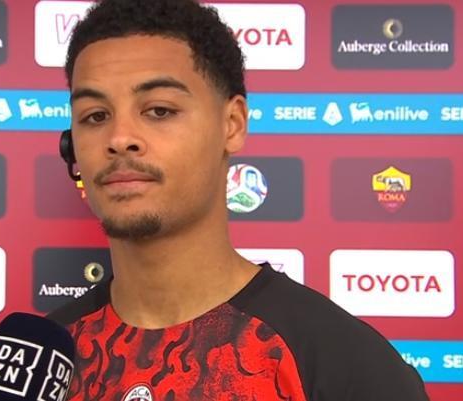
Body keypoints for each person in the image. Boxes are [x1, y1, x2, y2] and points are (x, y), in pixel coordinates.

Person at [47, 1, 430, 400]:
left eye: (159, 111)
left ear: (232, 125)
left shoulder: (343, 364)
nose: (119, 138)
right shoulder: (43, 361)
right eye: (95, 116)